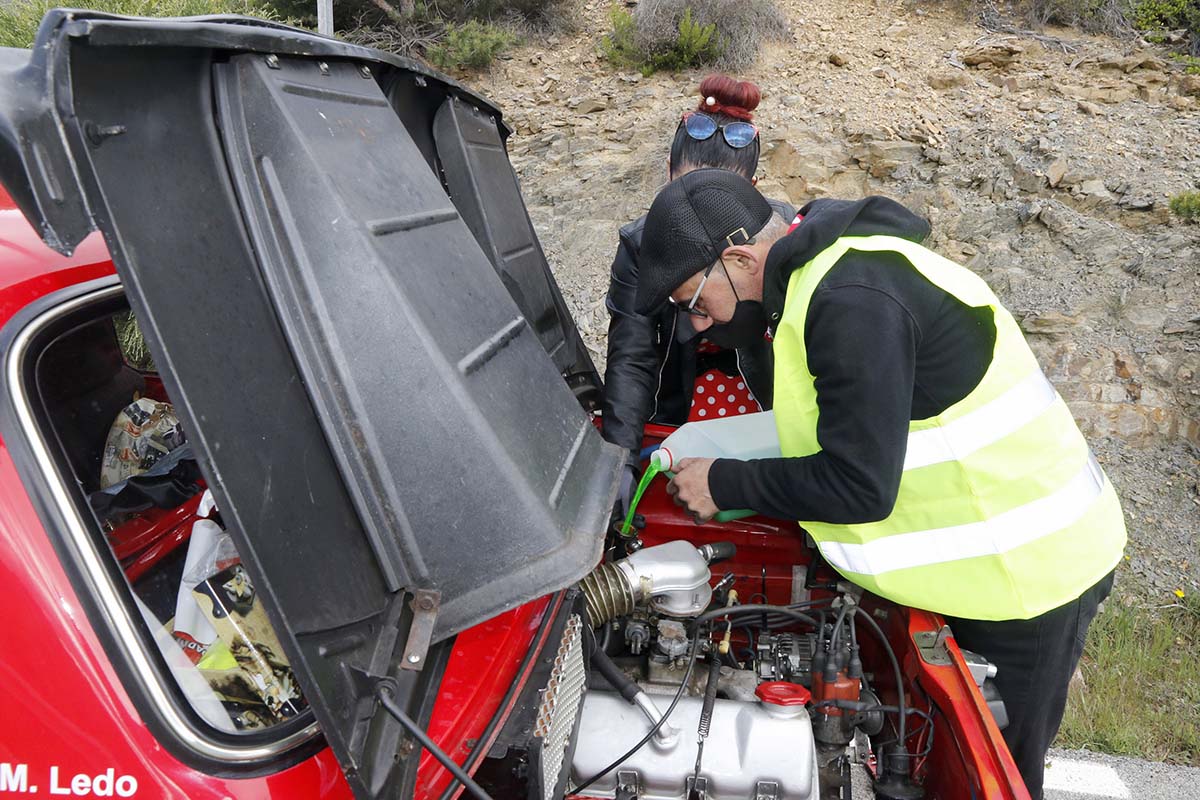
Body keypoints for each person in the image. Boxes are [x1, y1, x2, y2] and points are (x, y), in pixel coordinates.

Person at [631, 168, 1127, 799]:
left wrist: (727, 484)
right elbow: (835, 429)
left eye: (696, 303)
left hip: (1027, 572)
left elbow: (859, 485)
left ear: (737, 257)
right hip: (978, 563)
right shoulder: (817, 282)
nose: (698, 326)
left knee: (988, 778)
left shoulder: (851, 299)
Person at [600, 75, 794, 513]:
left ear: (752, 188)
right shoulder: (639, 242)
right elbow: (632, 355)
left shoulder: (781, 236)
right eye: (685, 192)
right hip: (678, 397)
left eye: (718, 198)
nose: (697, 220)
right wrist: (619, 465)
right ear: (669, 175)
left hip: (764, 396)